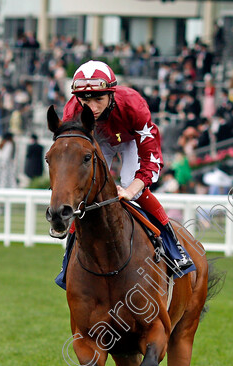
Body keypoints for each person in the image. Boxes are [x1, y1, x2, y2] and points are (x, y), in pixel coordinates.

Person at [61, 60, 193, 271]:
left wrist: (131, 190)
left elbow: (152, 160)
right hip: (99, 140)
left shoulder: (133, 104)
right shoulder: (72, 112)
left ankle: (173, 245)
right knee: (85, 190)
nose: (92, 107)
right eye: (85, 100)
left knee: (133, 185)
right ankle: (68, 256)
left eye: (98, 99)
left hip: (129, 139)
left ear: (111, 94)